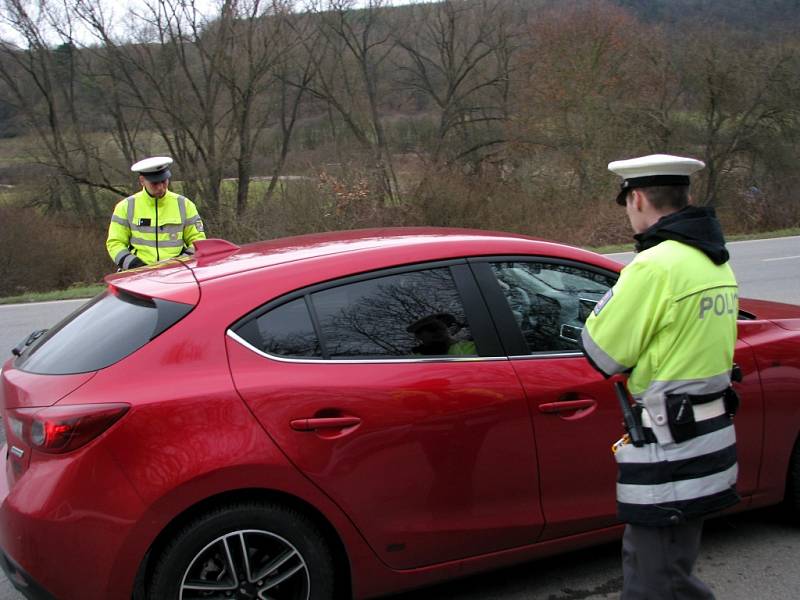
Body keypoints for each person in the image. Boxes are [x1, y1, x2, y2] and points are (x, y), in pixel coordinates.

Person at [581, 154, 740, 600]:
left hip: (669, 446)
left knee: (655, 580)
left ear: (635, 199)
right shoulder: (713, 260)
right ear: (685, 197)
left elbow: (601, 353)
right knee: (671, 567)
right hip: (708, 435)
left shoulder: (653, 267)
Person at [106, 156, 206, 270]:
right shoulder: (125, 207)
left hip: (177, 274)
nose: (160, 187)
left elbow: (198, 241)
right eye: (154, 183)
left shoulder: (185, 205)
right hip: (136, 274)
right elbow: (115, 243)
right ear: (142, 181)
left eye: (164, 181)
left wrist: (181, 264)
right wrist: (135, 266)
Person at [407, 313, 476, 356]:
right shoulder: (414, 359)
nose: (439, 331)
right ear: (418, 336)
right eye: (432, 329)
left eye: (442, 327)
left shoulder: (472, 347)